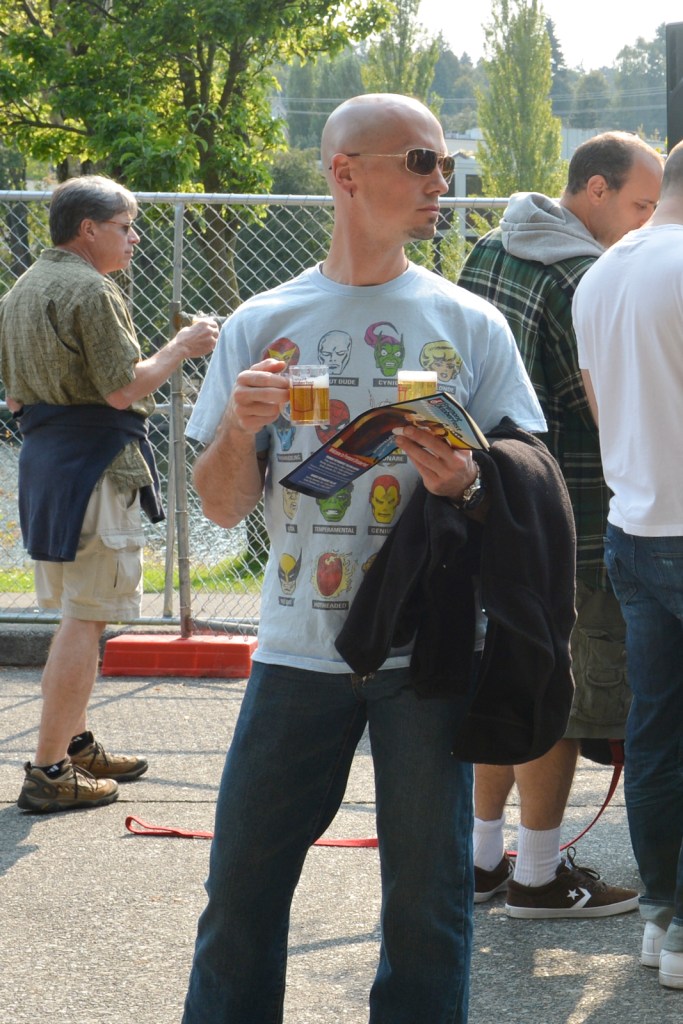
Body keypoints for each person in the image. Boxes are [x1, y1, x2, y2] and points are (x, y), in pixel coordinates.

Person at [181, 93, 549, 1024]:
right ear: (345, 173)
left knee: (428, 904)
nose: (442, 180)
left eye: (444, 163)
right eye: (421, 160)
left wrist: (468, 478)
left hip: (428, 649)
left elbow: (528, 480)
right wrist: (238, 428)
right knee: (241, 891)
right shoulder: (262, 321)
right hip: (294, 650)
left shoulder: (470, 322)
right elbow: (220, 506)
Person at [458, 131, 664, 917]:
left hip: (487, 501)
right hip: (570, 517)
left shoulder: (490, 246)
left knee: (502, 678)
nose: (647, 223)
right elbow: (607, 403)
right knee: (559, 698)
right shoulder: (582, 275)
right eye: (641, 205)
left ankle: (480, 861)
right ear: (595, 191)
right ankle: (539, 876)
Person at [0, 174, 218, 813]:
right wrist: (183, 345)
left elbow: (15, 399)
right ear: (88, 229)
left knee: (77, 611)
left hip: (46, 468)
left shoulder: (20, 289)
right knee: (86, 617)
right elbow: (124, 389)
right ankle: (49, 771)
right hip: (95, 469)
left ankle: (73, 746)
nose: (135, 238)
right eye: (126, 227)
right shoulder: (93, 290)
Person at [574, 139, 683, 989]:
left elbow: (599, 403)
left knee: (654, 733)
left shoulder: (601, 272)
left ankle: (662, 916)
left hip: (634, 526)